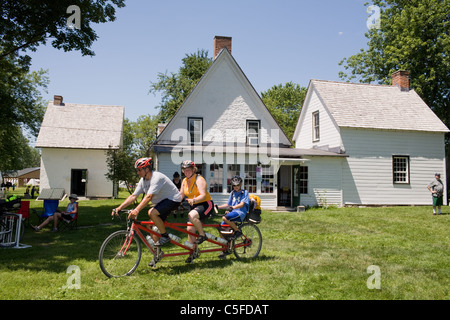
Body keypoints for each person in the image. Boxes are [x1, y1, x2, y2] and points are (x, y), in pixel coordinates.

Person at [113, 157, 182, 247]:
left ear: (147, 169)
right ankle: (157, 253)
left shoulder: (156, 178)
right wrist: (119, 208)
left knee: (152, 212)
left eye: (139, 170)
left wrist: (136, 210)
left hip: (174, 199)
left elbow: (149, 196)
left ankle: (165, 236)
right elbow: (133, 196)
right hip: (162, 202)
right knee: (150, 226)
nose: (138, 172)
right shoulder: (143, 180)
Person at [179, 160, 215, 257]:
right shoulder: (184, 181)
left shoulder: (199, 179)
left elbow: (203, 195)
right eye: (184, 170)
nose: (186, 172)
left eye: (189, 170)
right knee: (190, 229)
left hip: (206, 204)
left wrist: (194, 200)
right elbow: (181, 195)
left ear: (193, 169)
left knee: (192, 215)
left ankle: (202, 235)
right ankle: (193, 252)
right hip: (194, 206)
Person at [216, 176, 249, 258]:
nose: (236, 187)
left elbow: (242, 204)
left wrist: (233, 208)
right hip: (233, 213)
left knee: (225, 218)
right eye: (234, 185)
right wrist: (218, 207)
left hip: (240, 212)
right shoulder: (232, 193)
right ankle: (225, 250)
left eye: (237, 185)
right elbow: (228, 204)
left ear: (241, 184)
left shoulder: (244, 192)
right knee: (222, 228)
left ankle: (238, 231)